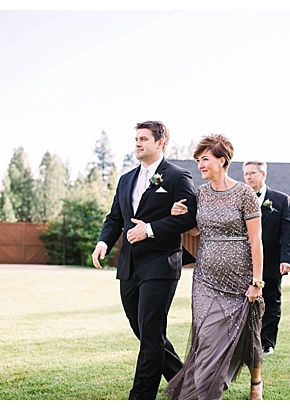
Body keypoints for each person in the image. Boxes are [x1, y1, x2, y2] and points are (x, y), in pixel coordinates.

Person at [92, 120, 198, 400]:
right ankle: (185, 381)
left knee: (150, 332)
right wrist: (103, 242)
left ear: (160, 142)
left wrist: (149, 229)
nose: (137, 144)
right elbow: (115, 217)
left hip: (161, 264)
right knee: (142, 330)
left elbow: (189, 217)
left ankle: (140, 397)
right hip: (128, 265)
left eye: (143, 139)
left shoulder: (177, 176)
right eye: (136, 139)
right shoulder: (126, 179)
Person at [165, 134, 266, 400]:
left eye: (205, 159)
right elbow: (199, 231)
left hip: (240, 279)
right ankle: (206, 392)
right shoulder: (201, 194)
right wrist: (179, 214)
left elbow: (256, 240)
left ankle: (256, 383)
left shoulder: (245, 194)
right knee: (207, 336)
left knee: (249, 336)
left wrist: (256, 282)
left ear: (222, 161)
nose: (200, 164)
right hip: (206, 279)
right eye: (198, 160)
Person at [243, 160, 290, 355]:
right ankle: (246, 340)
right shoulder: (240, 197)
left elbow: (287, 232)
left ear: (263, 175)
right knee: (245, 301)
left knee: (272, 300)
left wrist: (286, 259)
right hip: (245, 261)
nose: (248, 177)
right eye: (246, 174)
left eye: (252, 173)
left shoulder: (281, 200)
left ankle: (267, 342)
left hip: (272, 261)